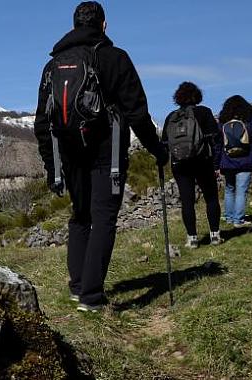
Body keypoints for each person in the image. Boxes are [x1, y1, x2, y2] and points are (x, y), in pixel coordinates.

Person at [33, 1, 168, 312]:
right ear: (104, 25)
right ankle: (91, 298)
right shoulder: (115, 58)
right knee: (104, 219)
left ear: (74, 25)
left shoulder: (52, 66)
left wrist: (52, 166)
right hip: (108, 154)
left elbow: (43, 122)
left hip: (69, 154)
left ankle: (78, 287)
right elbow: (137, 113)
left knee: (80, 217)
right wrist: (158, 151)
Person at [162, 82, 223, 249]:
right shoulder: (204, 112)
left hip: (180, 164)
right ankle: (215, 235)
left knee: (187, 201)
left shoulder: (171, 117)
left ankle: (192, 238)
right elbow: (216, 136)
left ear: (178, 98)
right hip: (203, 161)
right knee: (211, 197)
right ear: (197, 96)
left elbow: (165, 143)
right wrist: (217, 162)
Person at [218, 95, 252, 226]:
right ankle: (238, 220)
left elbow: (218, 143)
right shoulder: (250, 120)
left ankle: (229, 217)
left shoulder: (222, 122)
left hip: (227, 161)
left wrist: (217, 162)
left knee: (229, 189)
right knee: (241, 190)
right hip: (246, 160)